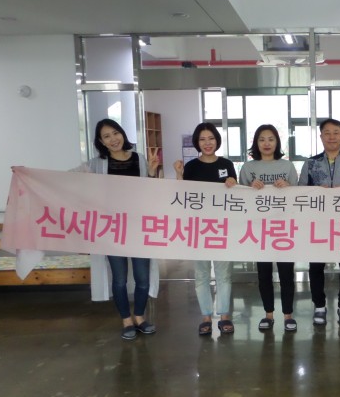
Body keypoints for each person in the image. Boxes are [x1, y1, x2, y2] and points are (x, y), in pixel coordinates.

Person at [82, 118, 160, 341]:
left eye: (115, 133)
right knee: (119, 279)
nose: (113, 139)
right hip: (112, 229)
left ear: (122, 134)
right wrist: (29, 175)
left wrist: (152, 172)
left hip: (138, 227)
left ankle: (140, 317)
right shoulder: (96, 164)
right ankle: (126, 320)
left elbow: (150, 191)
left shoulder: (139, 159)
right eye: (106, 136)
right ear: (101, 141)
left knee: (142, 278)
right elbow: (65, 178)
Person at [298, 119, 340, 327]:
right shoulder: (310, 164)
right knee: (316, 265)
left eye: (336, 133)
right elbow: (300, 192)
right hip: (318, 223)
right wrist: (316, 191)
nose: (331, 137)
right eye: (327, 133)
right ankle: (319, 306)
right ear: (321, 137)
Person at [174, 122, 237, 336]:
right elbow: (182, 196)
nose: (207, 143)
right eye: (202, 139)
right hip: (198, 227)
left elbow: (236, 196)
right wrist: (179, 174)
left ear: (217, 140)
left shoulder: (227, 164)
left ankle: (225, 315)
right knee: (201, 274)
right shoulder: (191, 167)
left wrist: (233, 182)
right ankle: (206, 317)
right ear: (197, 142)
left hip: (222, 226)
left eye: (211, 138)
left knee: (224, 274)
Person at [239, 124, 299, 333]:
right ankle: (268, 315)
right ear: (256, 143)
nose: (266, 143)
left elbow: (298, 197)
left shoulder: (287, 166)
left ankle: (288, 315)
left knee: (286, 274)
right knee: (264, 274)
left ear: (277, 142)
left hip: (284, 228)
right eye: (262, 139)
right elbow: (240, 198)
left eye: (271, 139)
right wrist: (249, 188)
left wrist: (288, 187)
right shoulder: (248, 167)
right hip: (259, 229)